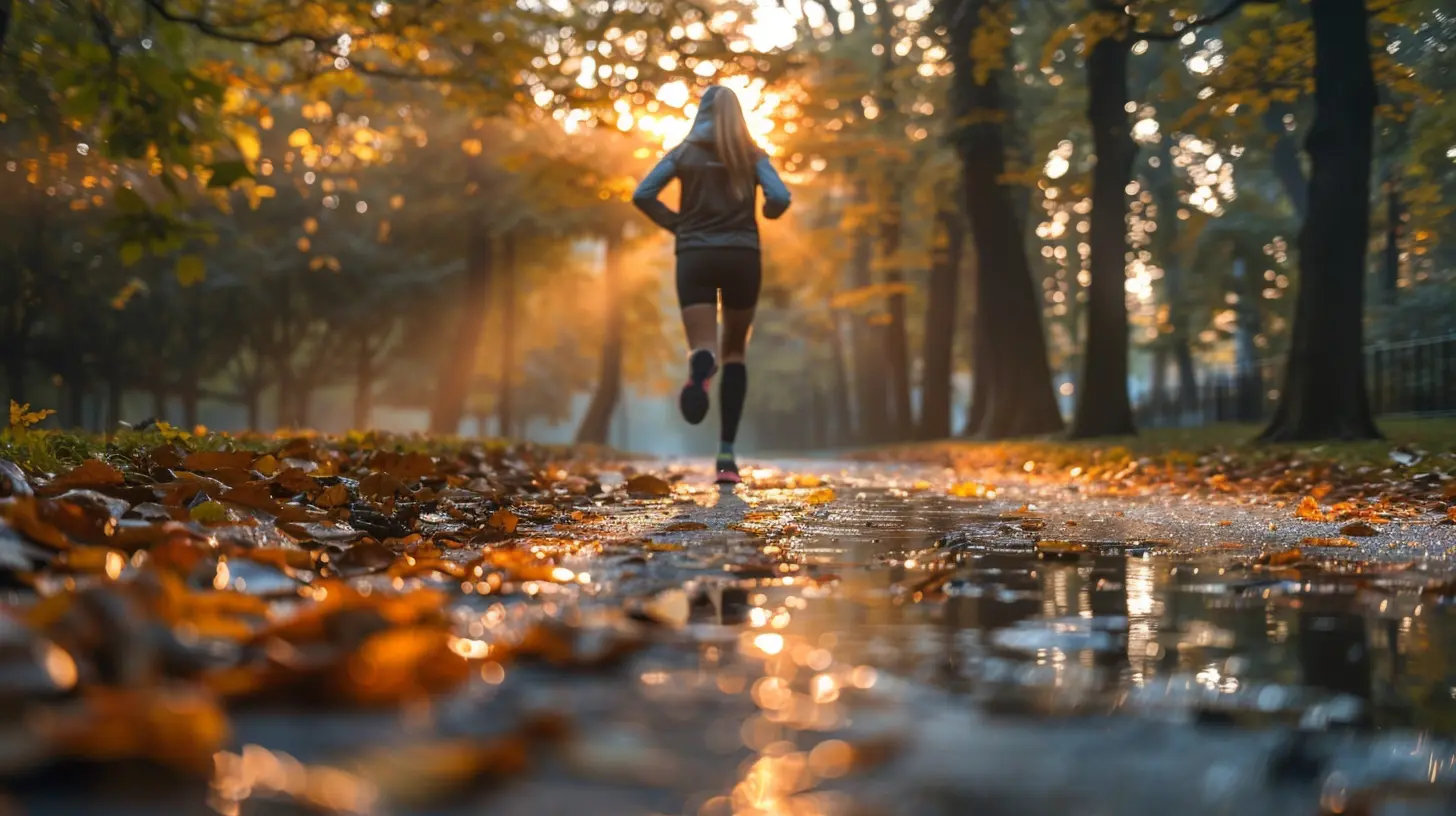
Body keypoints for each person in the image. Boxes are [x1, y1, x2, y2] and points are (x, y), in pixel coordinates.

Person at [632, 84, 791, 485]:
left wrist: (678, 225)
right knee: (735, 351)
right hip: (742, 257)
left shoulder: (683, 153)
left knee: (704, 346)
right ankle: (726, 459)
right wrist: (769, 210)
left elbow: (643, 193)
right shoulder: (751, 155)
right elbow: (780, 196)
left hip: (695, 258)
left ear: (701, 114)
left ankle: (701, 364)